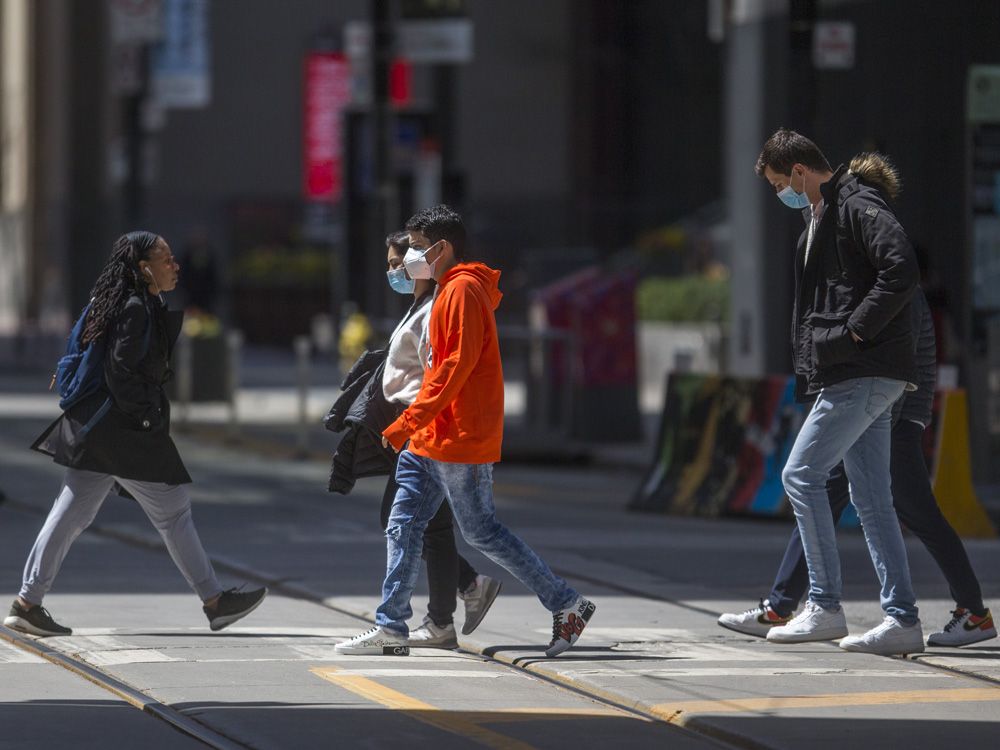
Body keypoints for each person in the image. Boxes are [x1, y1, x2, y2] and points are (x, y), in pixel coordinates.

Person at [336, 205, 595, 657]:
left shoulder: (462, 292)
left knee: (480, 532)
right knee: (402, 525)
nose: (411, 255)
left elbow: (452, 369)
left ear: (443, 248)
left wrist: (407, 422)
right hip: (432, 436)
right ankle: (391, 627)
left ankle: (567, 603)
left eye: (417, 247)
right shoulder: (449, 290)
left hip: (458, 437)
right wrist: (415, 426)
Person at [4, 231, 266, 637]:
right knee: (173, 510)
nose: (175, 265)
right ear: (144, 268)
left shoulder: (122, 303)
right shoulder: (133, 308)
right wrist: (146, 420)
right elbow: (122, 371)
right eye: (166, 259)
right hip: (121, 431)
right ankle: (215, 601)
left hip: (97, 428)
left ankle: (27, 602)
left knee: (72, 511)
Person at [755, 130, 923, 655]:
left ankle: (824, 605)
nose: (781, 194)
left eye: (781, 184)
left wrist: (854, 332)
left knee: (800, 475)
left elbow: (902, 268)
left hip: (861, 370)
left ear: (801, 172)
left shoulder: (855, 204)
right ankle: (902, 620)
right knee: (871, 499)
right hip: (860, 370)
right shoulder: (825, 214)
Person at [326, 231, 502, 648]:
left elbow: (438, 372)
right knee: (424, 524)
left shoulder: (437, 303)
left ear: (420, 260)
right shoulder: (419, 304)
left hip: (423, 430)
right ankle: (456, 602)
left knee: (413, 521)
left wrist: (411, 422)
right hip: (411, 428)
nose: (393, 270)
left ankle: (437, 612)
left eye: (397, 262)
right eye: (388, 263)